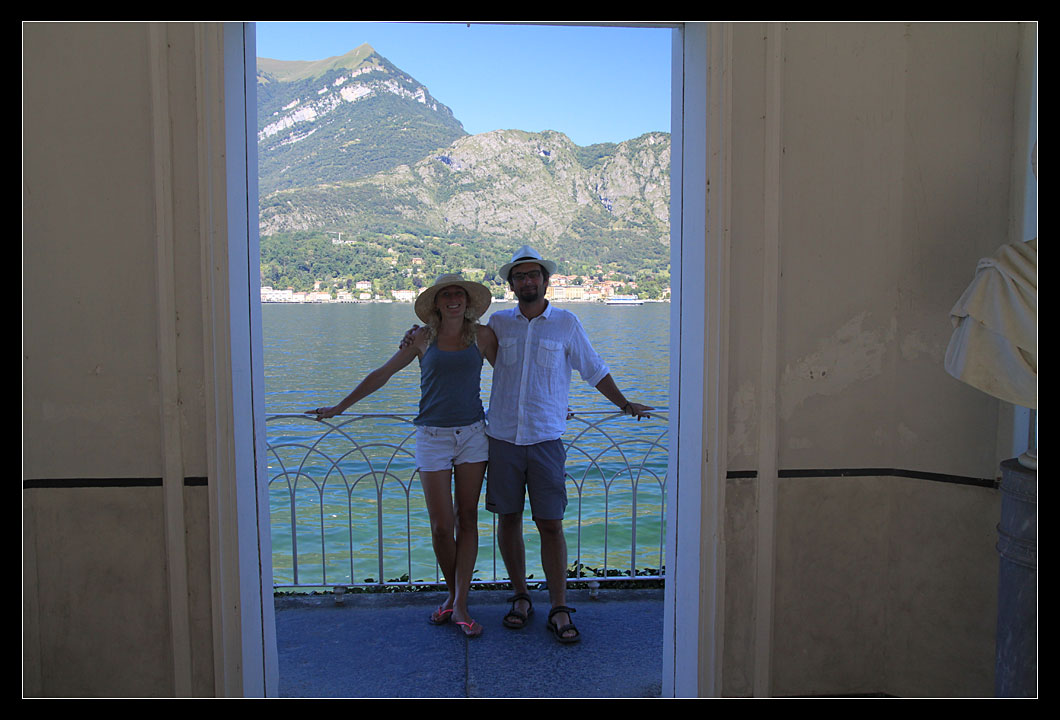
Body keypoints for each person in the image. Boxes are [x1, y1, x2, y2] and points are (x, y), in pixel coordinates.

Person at [309, 274, 498, 638]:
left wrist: (550, 405)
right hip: (432, 437)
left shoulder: (484, 336)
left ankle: (459, 603)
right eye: (446, 295)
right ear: (437, 303)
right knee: (441, 526)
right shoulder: (422, 338)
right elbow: (383, 374)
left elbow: (511, 375)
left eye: (459, 294)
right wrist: (340, 407)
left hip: (474, 435)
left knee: (468, 518)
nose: (454, 299)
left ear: (467, 301)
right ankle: (453, 594)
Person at [485, 245, 653, 644]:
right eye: (520, 276)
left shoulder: (566, 323)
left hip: (546, 438)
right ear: (511, 285)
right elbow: (460, 343)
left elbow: (593, 369)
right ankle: (521, 596)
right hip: (503, 438)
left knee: (550, 524)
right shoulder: (498, 324)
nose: (527, 281)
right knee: (508, 519)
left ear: (545, 281)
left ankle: (559, 606)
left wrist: (624, 404)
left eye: (533, 275)